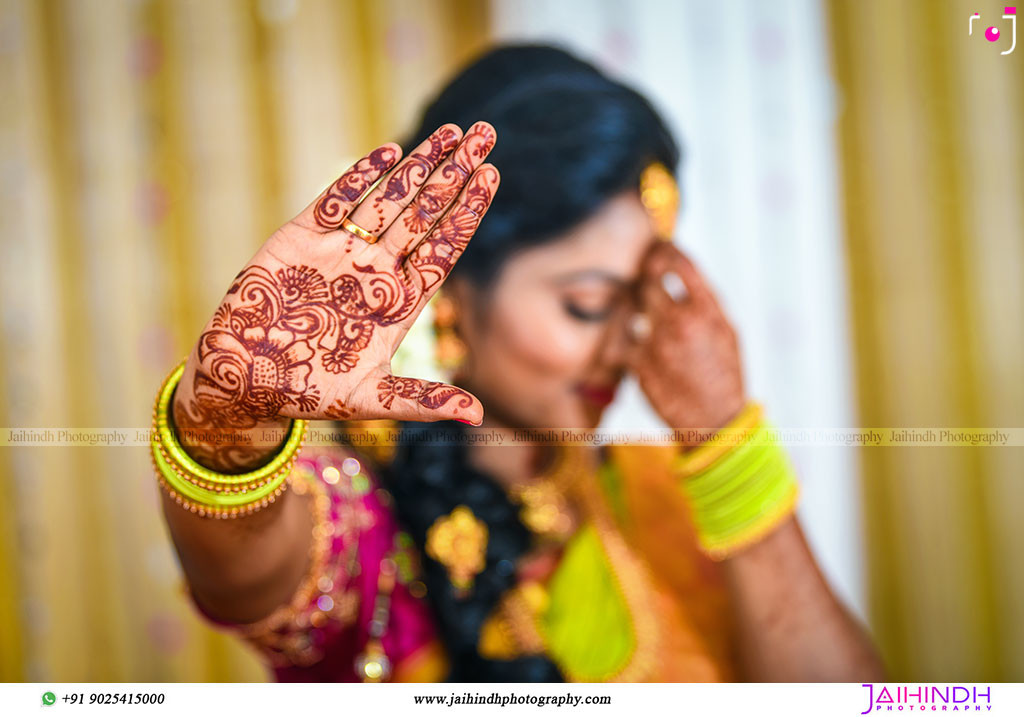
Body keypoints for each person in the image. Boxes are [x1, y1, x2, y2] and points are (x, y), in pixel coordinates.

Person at [152, 45, 884, 682]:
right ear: (453, 295)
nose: (628, 343)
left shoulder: (667, 491)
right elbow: (243, 571)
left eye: (642, 303)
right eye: (589, 303)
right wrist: (229, 420)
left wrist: (727, 439)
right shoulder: (369, 528)